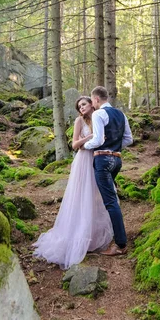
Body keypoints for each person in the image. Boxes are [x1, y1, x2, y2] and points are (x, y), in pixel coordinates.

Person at [32, 96, 114, 269]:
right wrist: (90, 137)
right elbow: (75, 144)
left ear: (92, 103)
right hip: (83, 161)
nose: (81, 108)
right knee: (82, 195)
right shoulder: (79, 121)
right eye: (79, 106)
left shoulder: (99, 117)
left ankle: (94, 234)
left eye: (84, 104)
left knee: (97, 196)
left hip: (98, 159)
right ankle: (78, 234)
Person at [84, 86, 133, 256]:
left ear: (96, 99)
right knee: (108, 198)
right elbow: (129, 139)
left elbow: (97, 139)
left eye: (93, 101)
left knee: (110, 201)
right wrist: (114, 146)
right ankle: (106, 233)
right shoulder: (121, 114)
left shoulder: (98, 114)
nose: (93, 105)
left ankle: (120, 244)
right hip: (117, 160)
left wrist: (85, 145)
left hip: (103, 160)